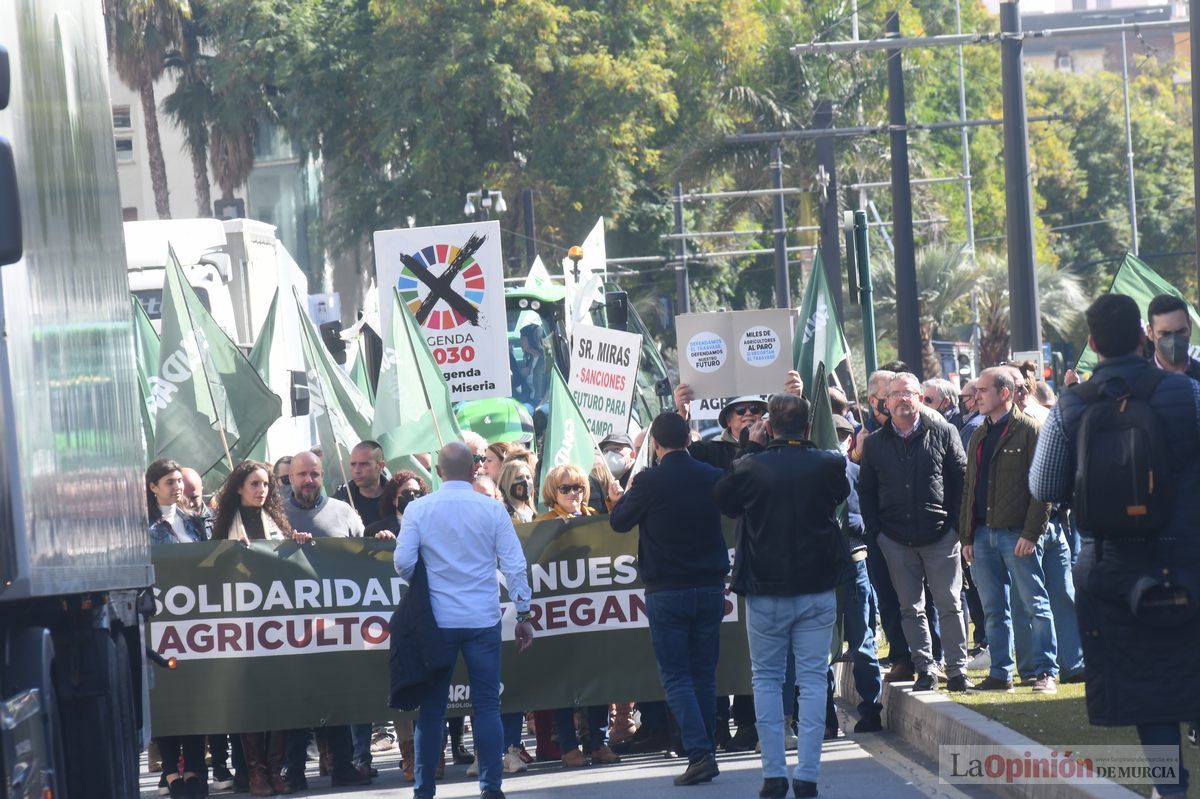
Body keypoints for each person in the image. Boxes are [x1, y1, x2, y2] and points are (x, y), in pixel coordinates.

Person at [1031, 293, 1200, 798]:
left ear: (1091, 343)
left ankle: (1170, 789)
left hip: (1114, 571)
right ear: (1143, 336)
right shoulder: (1187, 395)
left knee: (1146, 692)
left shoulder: (1071, 406)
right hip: (1187, 557)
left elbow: (1043, 486)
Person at [714, 393, 851, 799]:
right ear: (808, 427)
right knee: (811, 681)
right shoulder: (829, 463)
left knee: (767, 681)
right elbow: (838, 492)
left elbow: (724, 498)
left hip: (766, 591)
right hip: (815, 588)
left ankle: (774, 775)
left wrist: (749, 447)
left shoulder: (750, 465)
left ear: (768, 425)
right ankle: (806, 775)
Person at [394, 441, 536, 799]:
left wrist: (425, 582)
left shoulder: (419, 510)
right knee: (487, 705)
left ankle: (424, 789)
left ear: (438, 472)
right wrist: (523, 613)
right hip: (481, 618)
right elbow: (515, 565)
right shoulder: (492, 510)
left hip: (436, 622)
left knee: (432, 709)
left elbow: (403, 562)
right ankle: (491, 787)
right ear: (474, 469)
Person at [609, 412, 729, 787]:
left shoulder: (648, 481)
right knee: (704, 675)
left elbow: (619, 522)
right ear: (689, 441)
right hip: (709, 587)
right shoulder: (710, 476)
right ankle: (704, 748)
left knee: (676, 676)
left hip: (669, 592)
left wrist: (622, 496)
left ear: (655, 446)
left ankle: (700, 753)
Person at [859, 373, 970, 693]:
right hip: (894, 539)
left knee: (949, 602)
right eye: (895, 395)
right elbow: (866, 490)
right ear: (885, 402)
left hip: (940, 536)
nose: (902, 399)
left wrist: (955, 528)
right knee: (911, 607)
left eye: (908, 393)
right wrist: (877, 532)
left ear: (919, 398)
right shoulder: (876, 444)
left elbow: (961, 481)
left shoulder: (945, 432)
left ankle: (957, 668)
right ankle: (925, 668)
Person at [959, 368, 1057, 694]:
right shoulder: (979, 433)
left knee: (1035, 604)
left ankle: (1046, 672)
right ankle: (1001, 673)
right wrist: (967, 536)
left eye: (983, 390)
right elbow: (970, 488)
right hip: (984, 535)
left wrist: (1032, 533)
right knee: (993, 610)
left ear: (1004, 393)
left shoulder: (1031, 429)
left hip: (1018, 534)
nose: (977, 397)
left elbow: (1043, 488)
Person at [206, 461, 297, 794]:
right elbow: (211, 571)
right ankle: (256, 772)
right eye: (255, 484)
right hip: (243, 628)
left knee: (279, 697)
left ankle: (275, 769)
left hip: (277, 626)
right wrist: (232, 556)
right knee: (250, 699)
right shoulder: (226, 525)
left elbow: (291, 568)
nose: (262, 490)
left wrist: (296, 542)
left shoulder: (276, 522)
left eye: (265, 484)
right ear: (239, 488)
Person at [280, 451, 368, 790]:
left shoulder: (343, 512)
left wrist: (381, 543)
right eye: (302, 474)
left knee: (337, 696)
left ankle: (343, 764)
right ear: (290, 477)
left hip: (336, 625)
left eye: (315, 474)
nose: (309, 481)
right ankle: (294, 769)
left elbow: (363, 554)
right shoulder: (276, 514)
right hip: (289, 626)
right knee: (297, 700)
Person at [533, 464, 623, 767]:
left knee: (597, 680)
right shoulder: (541, 522)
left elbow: (615, 537)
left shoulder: (593, 519)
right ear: (552, 493)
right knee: (564, 684)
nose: (574, 493)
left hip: (592, 615)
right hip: (559, 618)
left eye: (579, 487)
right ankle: (569, 747)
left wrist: (612, 502)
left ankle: (599, 743)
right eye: (566, 488)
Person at [145, 459, 208, 799]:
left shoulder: (195, 521)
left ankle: (197, 768)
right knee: (168, 698)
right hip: (161, 620)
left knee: (195, 697)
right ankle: (172, 772)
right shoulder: (142, 525)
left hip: (195, 620)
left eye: (179, 481)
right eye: (169, 482)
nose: (177, 486)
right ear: (153, 486)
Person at [831, 413, 885, 733]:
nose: (835, 440)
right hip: (822, 568)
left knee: (861, 641)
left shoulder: (855, 472)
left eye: (840, 435)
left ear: (850, 440)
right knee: (822, 646)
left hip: (853, 562)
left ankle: (871, 707)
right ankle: (825, 714)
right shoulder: (814, 473)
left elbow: (863, 521)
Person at [334, 440, 389, 529]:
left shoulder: (396, 496)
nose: (357, 470)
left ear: (380, 466)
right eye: (353, 464)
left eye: (364, 464)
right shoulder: (342, 497)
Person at [1146, 293, 1200, 379]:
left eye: (1181, 331)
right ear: (1150, 332)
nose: (1173, 340)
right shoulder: (1138, 382)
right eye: (1165, 334)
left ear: (1190, 327)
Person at [177, 467, 214, 539]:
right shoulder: (174, 525)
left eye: (194, 498)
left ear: (202, 490)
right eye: (184, 499)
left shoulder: (218, 519)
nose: (190, 504)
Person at [497, 459, 537, 523]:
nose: (525, 482)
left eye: (528, 477)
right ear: (505, 483)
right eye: (519, 478)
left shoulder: (533, 514)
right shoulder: (500, 513)